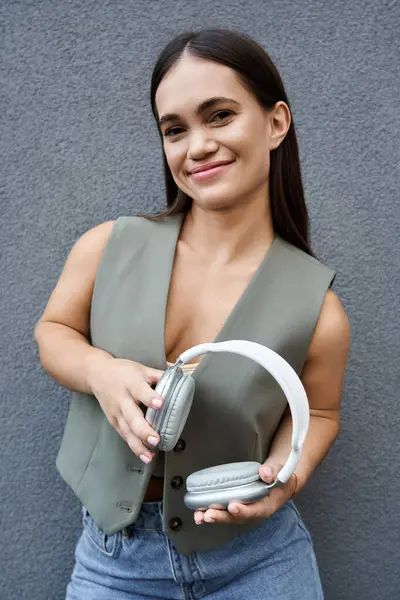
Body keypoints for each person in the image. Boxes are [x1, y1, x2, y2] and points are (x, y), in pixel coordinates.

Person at [34, 28, 351, 600]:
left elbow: (320, 413)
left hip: (260, 563)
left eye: (220, 116)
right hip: (114, 563)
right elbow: (53, 333)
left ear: (276, 123)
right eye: (175, 129)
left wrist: (285, 479)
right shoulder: (105, 247)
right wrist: (100, 372)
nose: (196, 145)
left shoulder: (320, 309)